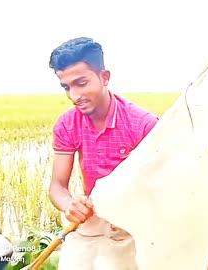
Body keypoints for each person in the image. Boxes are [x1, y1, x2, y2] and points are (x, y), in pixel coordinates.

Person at [48, 37, 159, 269]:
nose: (74, 95)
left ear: (104, 77)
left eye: (81, 83)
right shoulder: (68, 124)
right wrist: (70, 205)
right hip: (92, 214)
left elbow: (162, 187)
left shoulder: (143, 125)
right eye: (67, 87)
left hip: (132, 221)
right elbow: (57, 186)